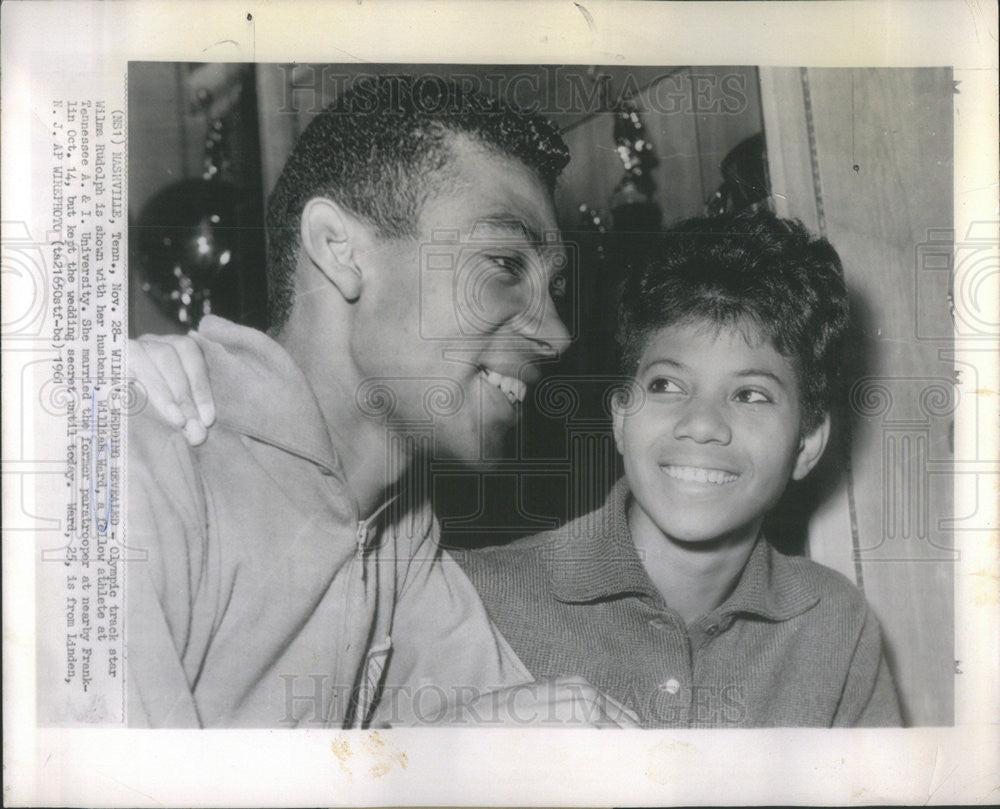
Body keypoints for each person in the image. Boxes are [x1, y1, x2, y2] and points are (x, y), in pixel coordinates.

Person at [127, 74, 637, 728]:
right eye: (506, 264)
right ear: (340, 250)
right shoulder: (141, 460)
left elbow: (535, 735)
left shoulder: (401, 522)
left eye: (556, 287)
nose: (557, 333)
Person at [455, 210, 903, 727]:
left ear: (807, 442)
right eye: (667, 385)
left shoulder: (834, 624)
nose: (702, 424)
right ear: (621, 417)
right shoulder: (475, 595)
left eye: (750, 394)